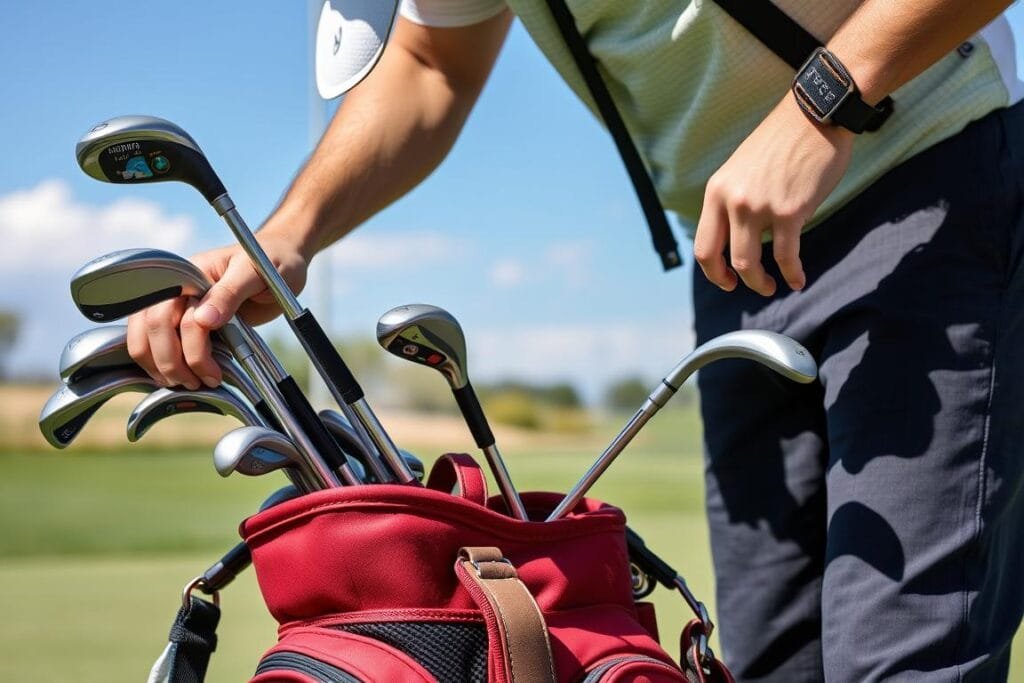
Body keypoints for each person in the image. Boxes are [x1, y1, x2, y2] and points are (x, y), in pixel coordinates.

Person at [126, 1, 1024, 679]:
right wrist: (284, 239)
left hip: (932, 183)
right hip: (738, 265)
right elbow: (433, 63)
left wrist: (818, 106)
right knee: (772, 657)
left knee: (905, 659)